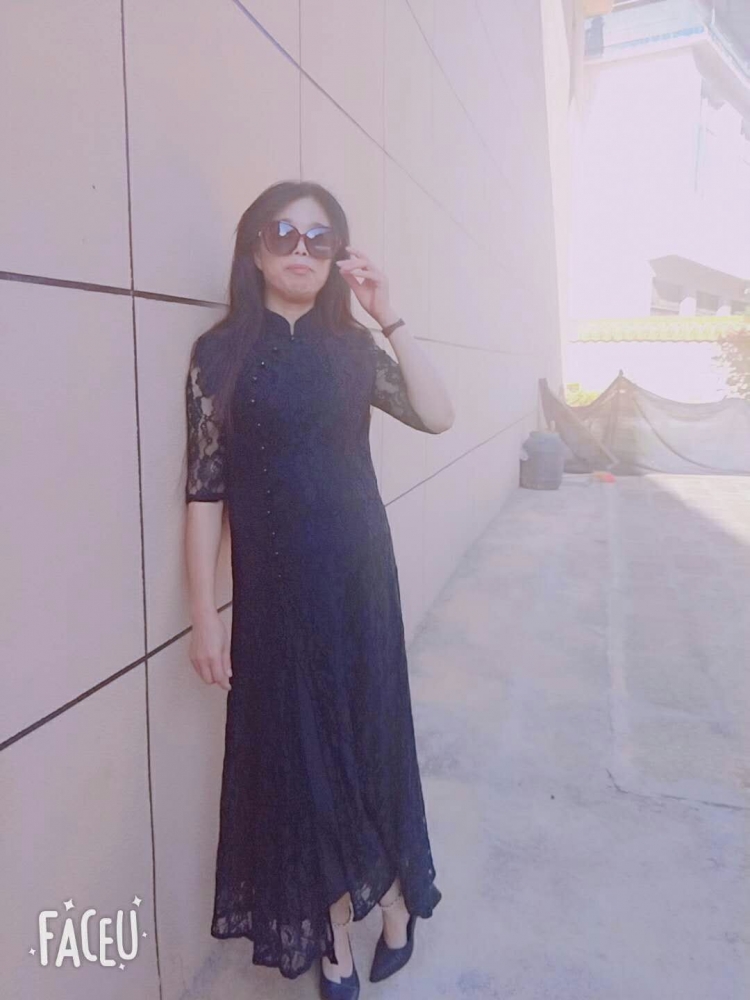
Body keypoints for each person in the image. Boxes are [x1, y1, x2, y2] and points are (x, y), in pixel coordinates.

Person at [183, 180, 454, 996]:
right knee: (299, 764)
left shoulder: (353, 350)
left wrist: (389, 315)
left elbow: (438, 414)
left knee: (368, 742)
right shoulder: (219, 355)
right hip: (273, 597)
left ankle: (395, 900)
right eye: (283, 233)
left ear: (337, 255)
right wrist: (205, 615)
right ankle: (334, 935)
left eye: (319, 237)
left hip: (359, 580)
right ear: (254, 249)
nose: (300, 249)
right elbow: (204, 491)